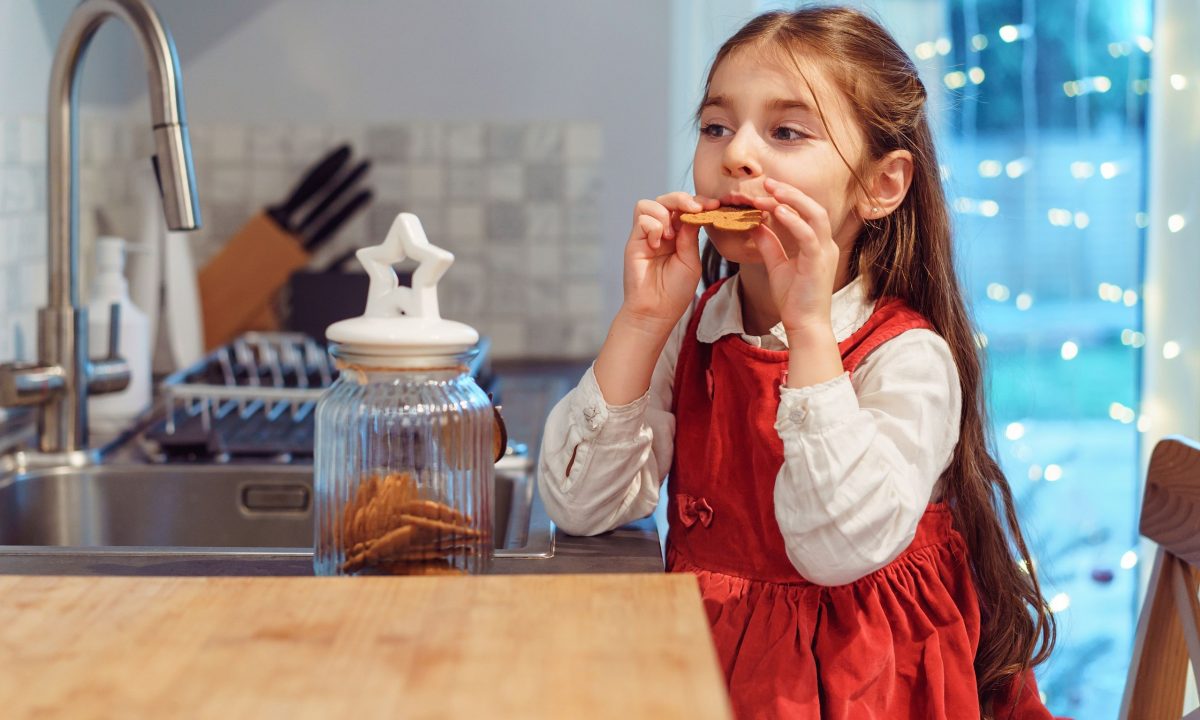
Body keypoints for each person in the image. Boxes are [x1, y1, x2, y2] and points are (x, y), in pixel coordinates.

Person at [538, 6, 1063, 719]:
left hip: (864, 687)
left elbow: (835, 547)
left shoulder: (907, 358)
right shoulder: (692, 331)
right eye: (716, 126)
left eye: (786, 132)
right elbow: (581, 506)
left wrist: (808, 325)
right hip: (707, 667)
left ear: (881, 186)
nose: (737, 155)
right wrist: (643, 320)